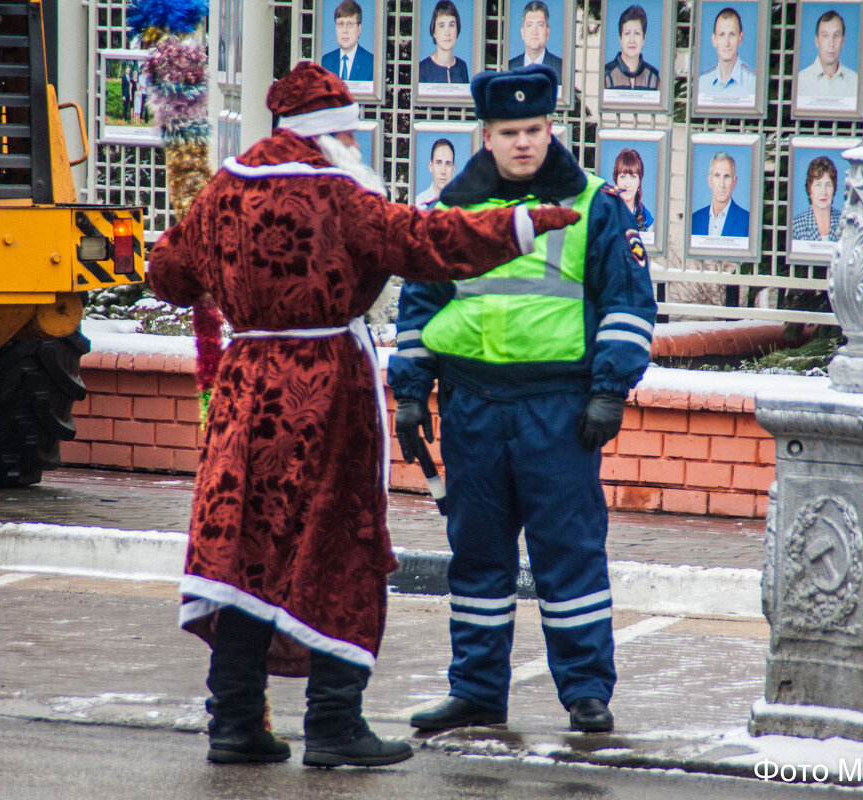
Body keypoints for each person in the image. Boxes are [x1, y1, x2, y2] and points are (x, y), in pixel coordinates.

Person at [147, 62, 579, 769]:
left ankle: (232, 722)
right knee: (333, 544)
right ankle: (334, 724)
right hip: (324, 394)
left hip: (243, 387)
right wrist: (520, 224)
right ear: (331, 131)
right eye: (348, 124)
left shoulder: (223, 188)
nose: (353, 134)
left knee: (246, 550)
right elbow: (427, 243)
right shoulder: (342, 192)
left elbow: (167, 273)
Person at [389, 64, 656, 736]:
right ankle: (477, 692)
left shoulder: (596, 202)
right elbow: (421, 302)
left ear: (549, 128)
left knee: (569, 552)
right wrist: (411, 394)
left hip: (557, 410)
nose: (523, 143)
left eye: (534, 129)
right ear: (487, 134)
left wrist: (608, 389)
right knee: (477, 556)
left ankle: (586, 692)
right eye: (510, 132)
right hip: (474, 407)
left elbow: (628, 302)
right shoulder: (452, 205)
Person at [795, 9, 858, 104]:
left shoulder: (855, 81)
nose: (831, 43)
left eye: (836, 36)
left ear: (843, 41)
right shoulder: (800, 80)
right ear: (817, 41)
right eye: (825, 36)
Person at [697, 6, 755, 98]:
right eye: (722, 35)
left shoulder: (754, 83)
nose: (726, 43)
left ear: (740, 38)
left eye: (732, 34)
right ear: (714, 40)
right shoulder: (702, 83)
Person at [691, 151, 749, 237]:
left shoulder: (747, 221)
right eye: (717, 176)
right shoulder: (694, 219)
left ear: (734, 182)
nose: (722, 184)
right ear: (710, 180)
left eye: (727, 176)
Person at [603, 5, 660, 90]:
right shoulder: (606, 75)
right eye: (627, 33)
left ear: (644, 38)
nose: (632, 40)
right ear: (620, 38)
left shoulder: (653, 78)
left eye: (637, 33)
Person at [320, 0, 374, 82]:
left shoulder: (371, 63)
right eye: (340, 24)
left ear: (359, 29)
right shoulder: (325, 62)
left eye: (350, 24)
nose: (345, 30)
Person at [509, 0, 563, 80]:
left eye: (540, 25)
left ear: (547, 32)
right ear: (522, 32)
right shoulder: (508, 69)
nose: (534, 31)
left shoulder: (562, 69)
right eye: (529, 25)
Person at [791, 156, 841, 242]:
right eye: (818, 185)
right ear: (810, 189)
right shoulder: (796, 226)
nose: (823, 192)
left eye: (828, 185)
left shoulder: (844, 223)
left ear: (834, 188)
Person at [419, 0, 469, 84]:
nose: (447, 32)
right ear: (434, 32)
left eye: (451, 25)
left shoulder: (462, 67)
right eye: (441, 26)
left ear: (457, 30)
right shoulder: (422, 68)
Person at [611, 147, 653, 234]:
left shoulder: (646, 216)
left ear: (639, 182)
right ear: (616, 180)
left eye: (633, 177)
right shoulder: (608, 213)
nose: (627, 184)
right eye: (622, 176)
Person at [415, 138, 456, 209]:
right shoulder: (418, 204)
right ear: (431, 166)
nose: (443, 171)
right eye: (439, 163)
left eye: (448, 164)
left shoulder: (461, 206)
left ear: (453, 169)